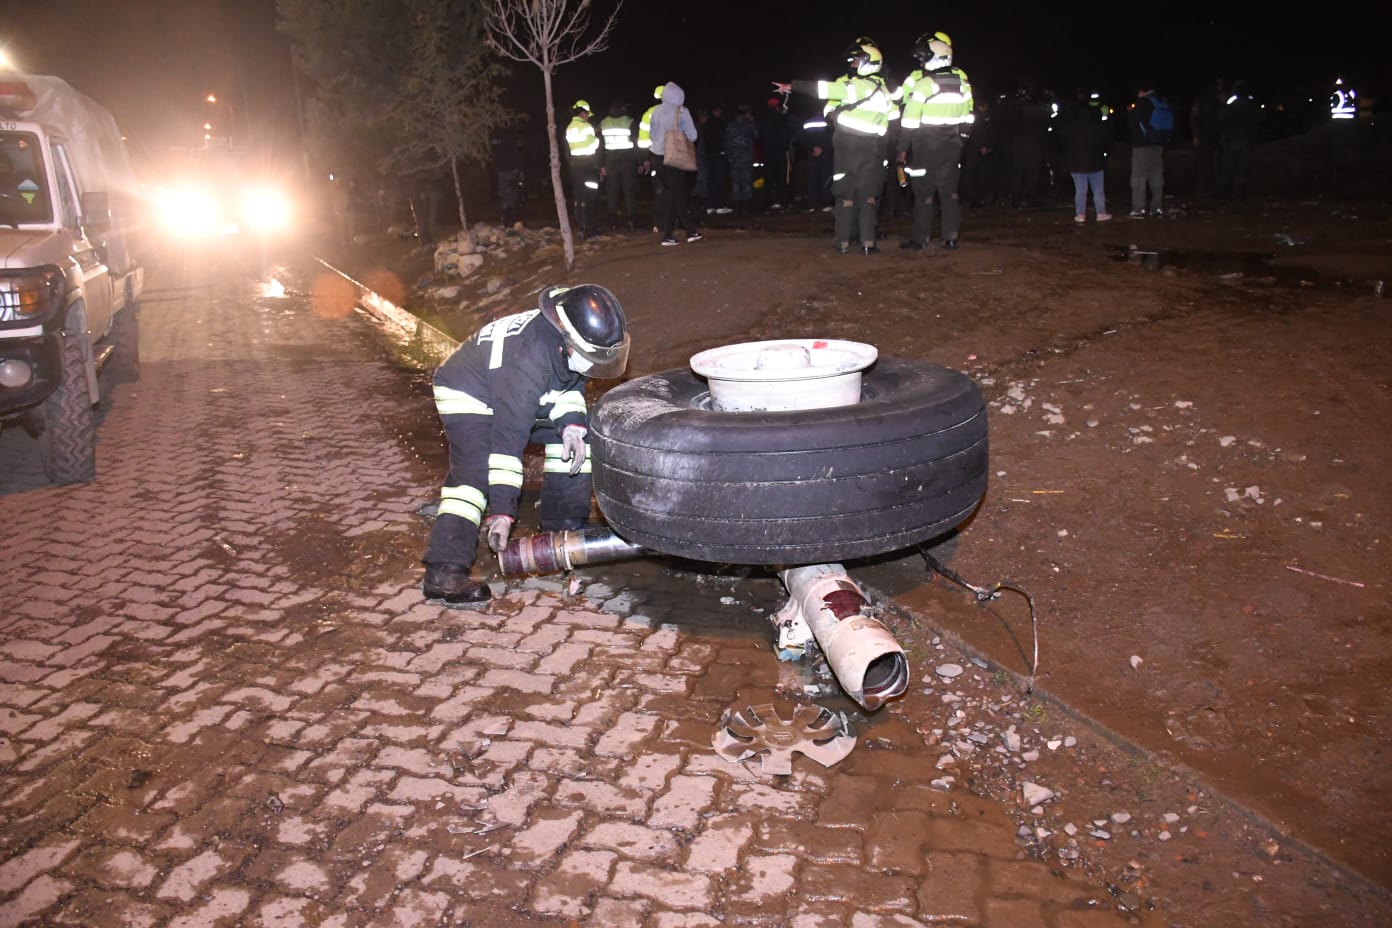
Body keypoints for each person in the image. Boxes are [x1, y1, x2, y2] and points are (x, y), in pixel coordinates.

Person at [421, 285, 631, 606]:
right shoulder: (527, 361)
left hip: (512, 387)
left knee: (579, 439)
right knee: (474, 475)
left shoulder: (565, 336)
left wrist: (571, 426)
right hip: (468, 389)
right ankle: (444, 571)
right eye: (590, 358)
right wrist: (502, 512)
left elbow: (567, 388)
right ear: (567, 341)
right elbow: (507, 443)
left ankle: (561, 534)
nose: (594, 367)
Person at [775, 36, 896, 254]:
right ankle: (868, 244)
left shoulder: (855, 86)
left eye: (857, 60)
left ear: (869, 62)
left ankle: (843, 243)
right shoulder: (885, 92)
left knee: (844, 194)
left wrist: (792, 86)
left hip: (848, 146)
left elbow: (821, 89)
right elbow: (888, 124)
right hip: (873, 148)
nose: (853, 63)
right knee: (868, 196)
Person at [894, 30, 974, 250]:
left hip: (926, 144)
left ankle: (920, 239)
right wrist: (962, 141)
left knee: (923, 194)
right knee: (949, 193)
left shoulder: (924, 84)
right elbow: (969, 116)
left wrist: (902, 150)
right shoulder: (962, 83)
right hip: (952, 143)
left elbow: (909, 121)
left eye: (923, 58)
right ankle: (951, 238)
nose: (921, 62)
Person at [649, 81, 703, 246]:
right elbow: (693, 136)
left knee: (674, 194)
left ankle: (689, 231)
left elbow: (652, 135)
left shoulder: (656, 111)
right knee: (675, 196)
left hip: (657, 158)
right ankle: (671, 235)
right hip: (673, 157)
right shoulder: (682, 111)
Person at [1061, 91, 1111, 222]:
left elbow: (1063, 143)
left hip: (1076, 164)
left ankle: (1080, 214)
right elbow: (1105, 142)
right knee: (1098, 189)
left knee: (1080, 190)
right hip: (1096, 163)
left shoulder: (1070, 128)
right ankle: (1101, 213)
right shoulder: (1097, 127)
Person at [1126, 81, 1171, 217]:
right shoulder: (1162, 101)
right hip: (1159, 144)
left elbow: (1132, 122)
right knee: (1156, 176)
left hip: (1142, 145)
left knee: (1139, 177)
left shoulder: (1142, 103)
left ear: (1141, 91)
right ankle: (1157, 207)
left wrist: (1130, 112)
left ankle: (1138, 208)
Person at [1216, 80, 1261, 203]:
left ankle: (1223, 195)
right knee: (1242, 170)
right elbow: (1259, 119)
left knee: (1227, 169)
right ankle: (1238, 195)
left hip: (1231, 141)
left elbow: (1221, 120)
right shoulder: (1251, 105)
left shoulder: (1231, 106)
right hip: (1245, 140)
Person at [564, 99, 603, 238]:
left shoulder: (569, 127)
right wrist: (597, 138)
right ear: (582, 113)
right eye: (587, 114)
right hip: (587, 166)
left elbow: (568, 149)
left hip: (575, 167)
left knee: (579, 199)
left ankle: (581, 228)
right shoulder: (586, 127)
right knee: (590, 199)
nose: (588, 117)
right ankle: (590, 230)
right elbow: (593, 146)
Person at [600, 98, 639, 229]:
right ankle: (632, 221)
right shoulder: (630, 122)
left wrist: (602, 164)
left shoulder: (604, 122)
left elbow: (600, 146)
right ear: (623, 108)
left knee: (612, 192)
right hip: (628, 161)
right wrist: (640, 161)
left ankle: (612, 222)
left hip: (610, 161)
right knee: (630, 192)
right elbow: (637, 143)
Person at [756, 95, 793, 209]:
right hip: (781, 153)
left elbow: (759, 136)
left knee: (768, 179)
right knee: (782, 178)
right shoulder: (782, 119)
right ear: (778, 107)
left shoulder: (762, 120)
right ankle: (782, 202)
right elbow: (787, 134)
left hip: (767, 153)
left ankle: (768, 203)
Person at [1190, 78, 1224, 201]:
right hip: (1211, 136)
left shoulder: (1203, 99)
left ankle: (1205, 190)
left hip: (1208, 135)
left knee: (1206, 164)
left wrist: (1196, 135)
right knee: (1210, 164)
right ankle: (1207, 190)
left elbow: (1194, 117)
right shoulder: (1215, 99)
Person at [791, 114, 834, 211]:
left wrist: (811, 148)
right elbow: (832, 138)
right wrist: (823, 149)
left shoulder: (807, 123)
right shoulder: (828, 123)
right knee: (826, 179)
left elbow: (798, 138)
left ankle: (812, 205)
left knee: (812, 180)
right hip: (825, 155)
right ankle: (826, 204)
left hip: (812, 156)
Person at [637, 84, 665, 230]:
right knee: (673, 190)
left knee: (659, 191)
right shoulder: (675, 112)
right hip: (673, 157)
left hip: (656, 157)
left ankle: (659, 224)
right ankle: (673, 223)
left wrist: (645, 159)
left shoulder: (648, 114)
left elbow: (642, 142)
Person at [724, 103, 759, 218]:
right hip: (746, 157)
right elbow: (757, 135)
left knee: (736, 182)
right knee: (746, 182)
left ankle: (737, 209)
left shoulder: (730, 125)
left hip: (734, 158)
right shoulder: (749, 124)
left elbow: (726, 142)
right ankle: (745, 209)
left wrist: (729, 157)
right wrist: (752, 122)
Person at [488, 128, 525, 227]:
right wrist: (519, 171)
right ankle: (510, 219)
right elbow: (516, 156)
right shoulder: (510, 143)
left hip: (501, 171)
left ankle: (506, 219)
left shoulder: (496, 142)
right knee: (512, 195)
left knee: (504, 194)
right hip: (511, 171)